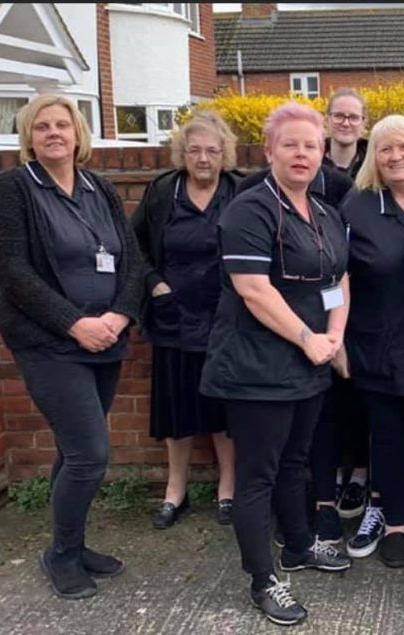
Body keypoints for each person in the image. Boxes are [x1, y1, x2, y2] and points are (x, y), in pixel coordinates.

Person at [0, 95, 145, 599]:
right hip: (50, 343)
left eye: (63, 124)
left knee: (75, 450)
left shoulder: (101, 188)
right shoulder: (12, 189)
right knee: (90, 454)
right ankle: (60, 557)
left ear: (79, 134)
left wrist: (119, 315)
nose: (54, 133)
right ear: (29, 137)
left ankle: (70, 543)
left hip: (106, 339)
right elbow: (10, 268)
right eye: (43, 126)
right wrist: (74, 323)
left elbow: (133, 260)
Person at [199, 102, 351, 626]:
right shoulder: (249, 209)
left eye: (311, 145)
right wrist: (310, 337)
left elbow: (338, 280)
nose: (302, 154)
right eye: (290, 144)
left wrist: (334, 335)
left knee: (296, 461)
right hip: (255, 366)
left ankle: (299, 546)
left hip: (309, 359)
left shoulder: (325, 213)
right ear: (269, 151)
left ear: (323, 152)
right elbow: (253, 290)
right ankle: (263, 580)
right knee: (258, 476)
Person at [132, 112, 242, 530]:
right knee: (176, 409)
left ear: (224, 154)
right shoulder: (163, 191)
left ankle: (227, 487)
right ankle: (175, 490)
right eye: (194, 149)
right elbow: (133, 244)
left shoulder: (239, 190)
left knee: (222, 408)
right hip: (173, 315)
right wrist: (154, 283)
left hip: (224, 317)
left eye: (212, 150)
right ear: (182, 152)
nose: (203, 158)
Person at [340, 115, 404, 567]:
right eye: (385, 149)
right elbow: (334, 276)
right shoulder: (356, 207)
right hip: (377, 342)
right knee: (388, 437)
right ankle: (393, 522)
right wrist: (335, 338)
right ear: (373, 158)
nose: (396, 156)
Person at [324, 87, 371, 519]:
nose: (345, 123)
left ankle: (357, 475)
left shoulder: (372, 165)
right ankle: (326, 478)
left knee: (356, 391)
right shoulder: (310, 163)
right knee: (325, 398)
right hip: (317, 292)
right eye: (339, 115)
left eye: (353, 117)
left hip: (362, 291)